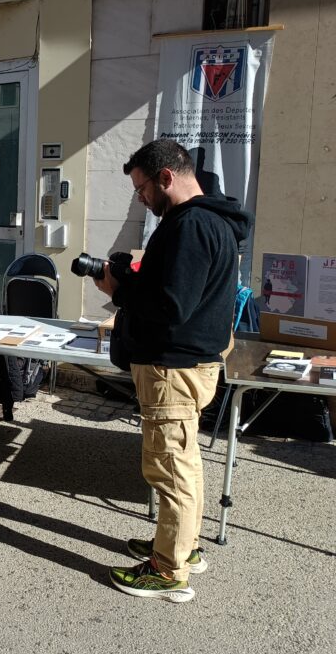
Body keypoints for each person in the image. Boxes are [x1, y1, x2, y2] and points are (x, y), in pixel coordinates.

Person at [89, 139, 251, 604]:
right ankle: (182, 545)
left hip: (172, 368)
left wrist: (118, 290)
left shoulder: (191, 225)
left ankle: (168, 570)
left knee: (170, 469)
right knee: (185, 462)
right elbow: (179, 291)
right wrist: (134, 278)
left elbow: (171, 306)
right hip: (190, 362)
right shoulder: (211, 220)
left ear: (166, 177)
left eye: (142, 189)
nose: (141, 198)